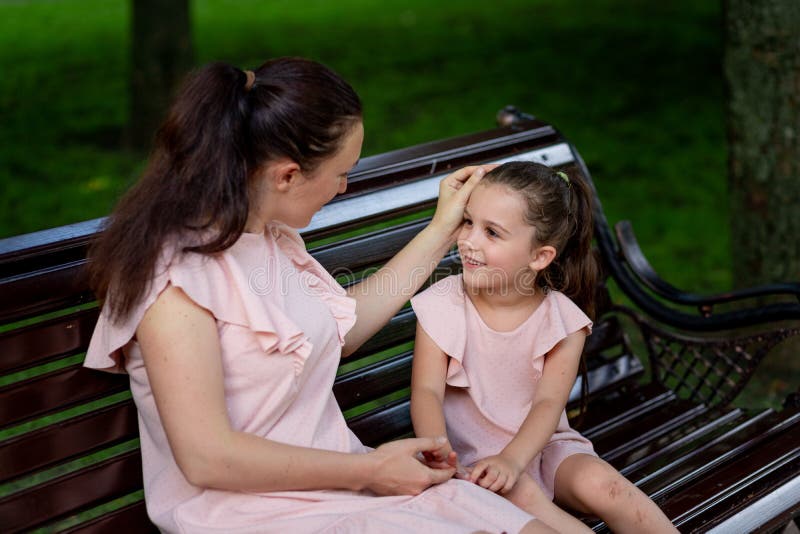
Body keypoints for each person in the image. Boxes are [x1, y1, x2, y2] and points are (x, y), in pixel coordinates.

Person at [83, 57, 555, 533]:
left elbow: (338, 334)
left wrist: (441, 230)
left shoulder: (267, 238)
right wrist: (371, 470)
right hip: (252, 516)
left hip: (339, 491)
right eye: (341, 172)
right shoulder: (175, 283)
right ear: (286, 176)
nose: (344, 186)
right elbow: (207, 458)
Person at [410, 161, 679, 533]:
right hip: (472, 460)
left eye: (492, 232)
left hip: (545, 446)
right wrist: (439, 452)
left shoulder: (561, 321)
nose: (469, 240)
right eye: (469, 222)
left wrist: (515, 459)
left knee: (609, 487)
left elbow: (548, 403)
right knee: (526, 500)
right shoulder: (443, 304)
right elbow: (425, 390)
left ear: (539, 257)